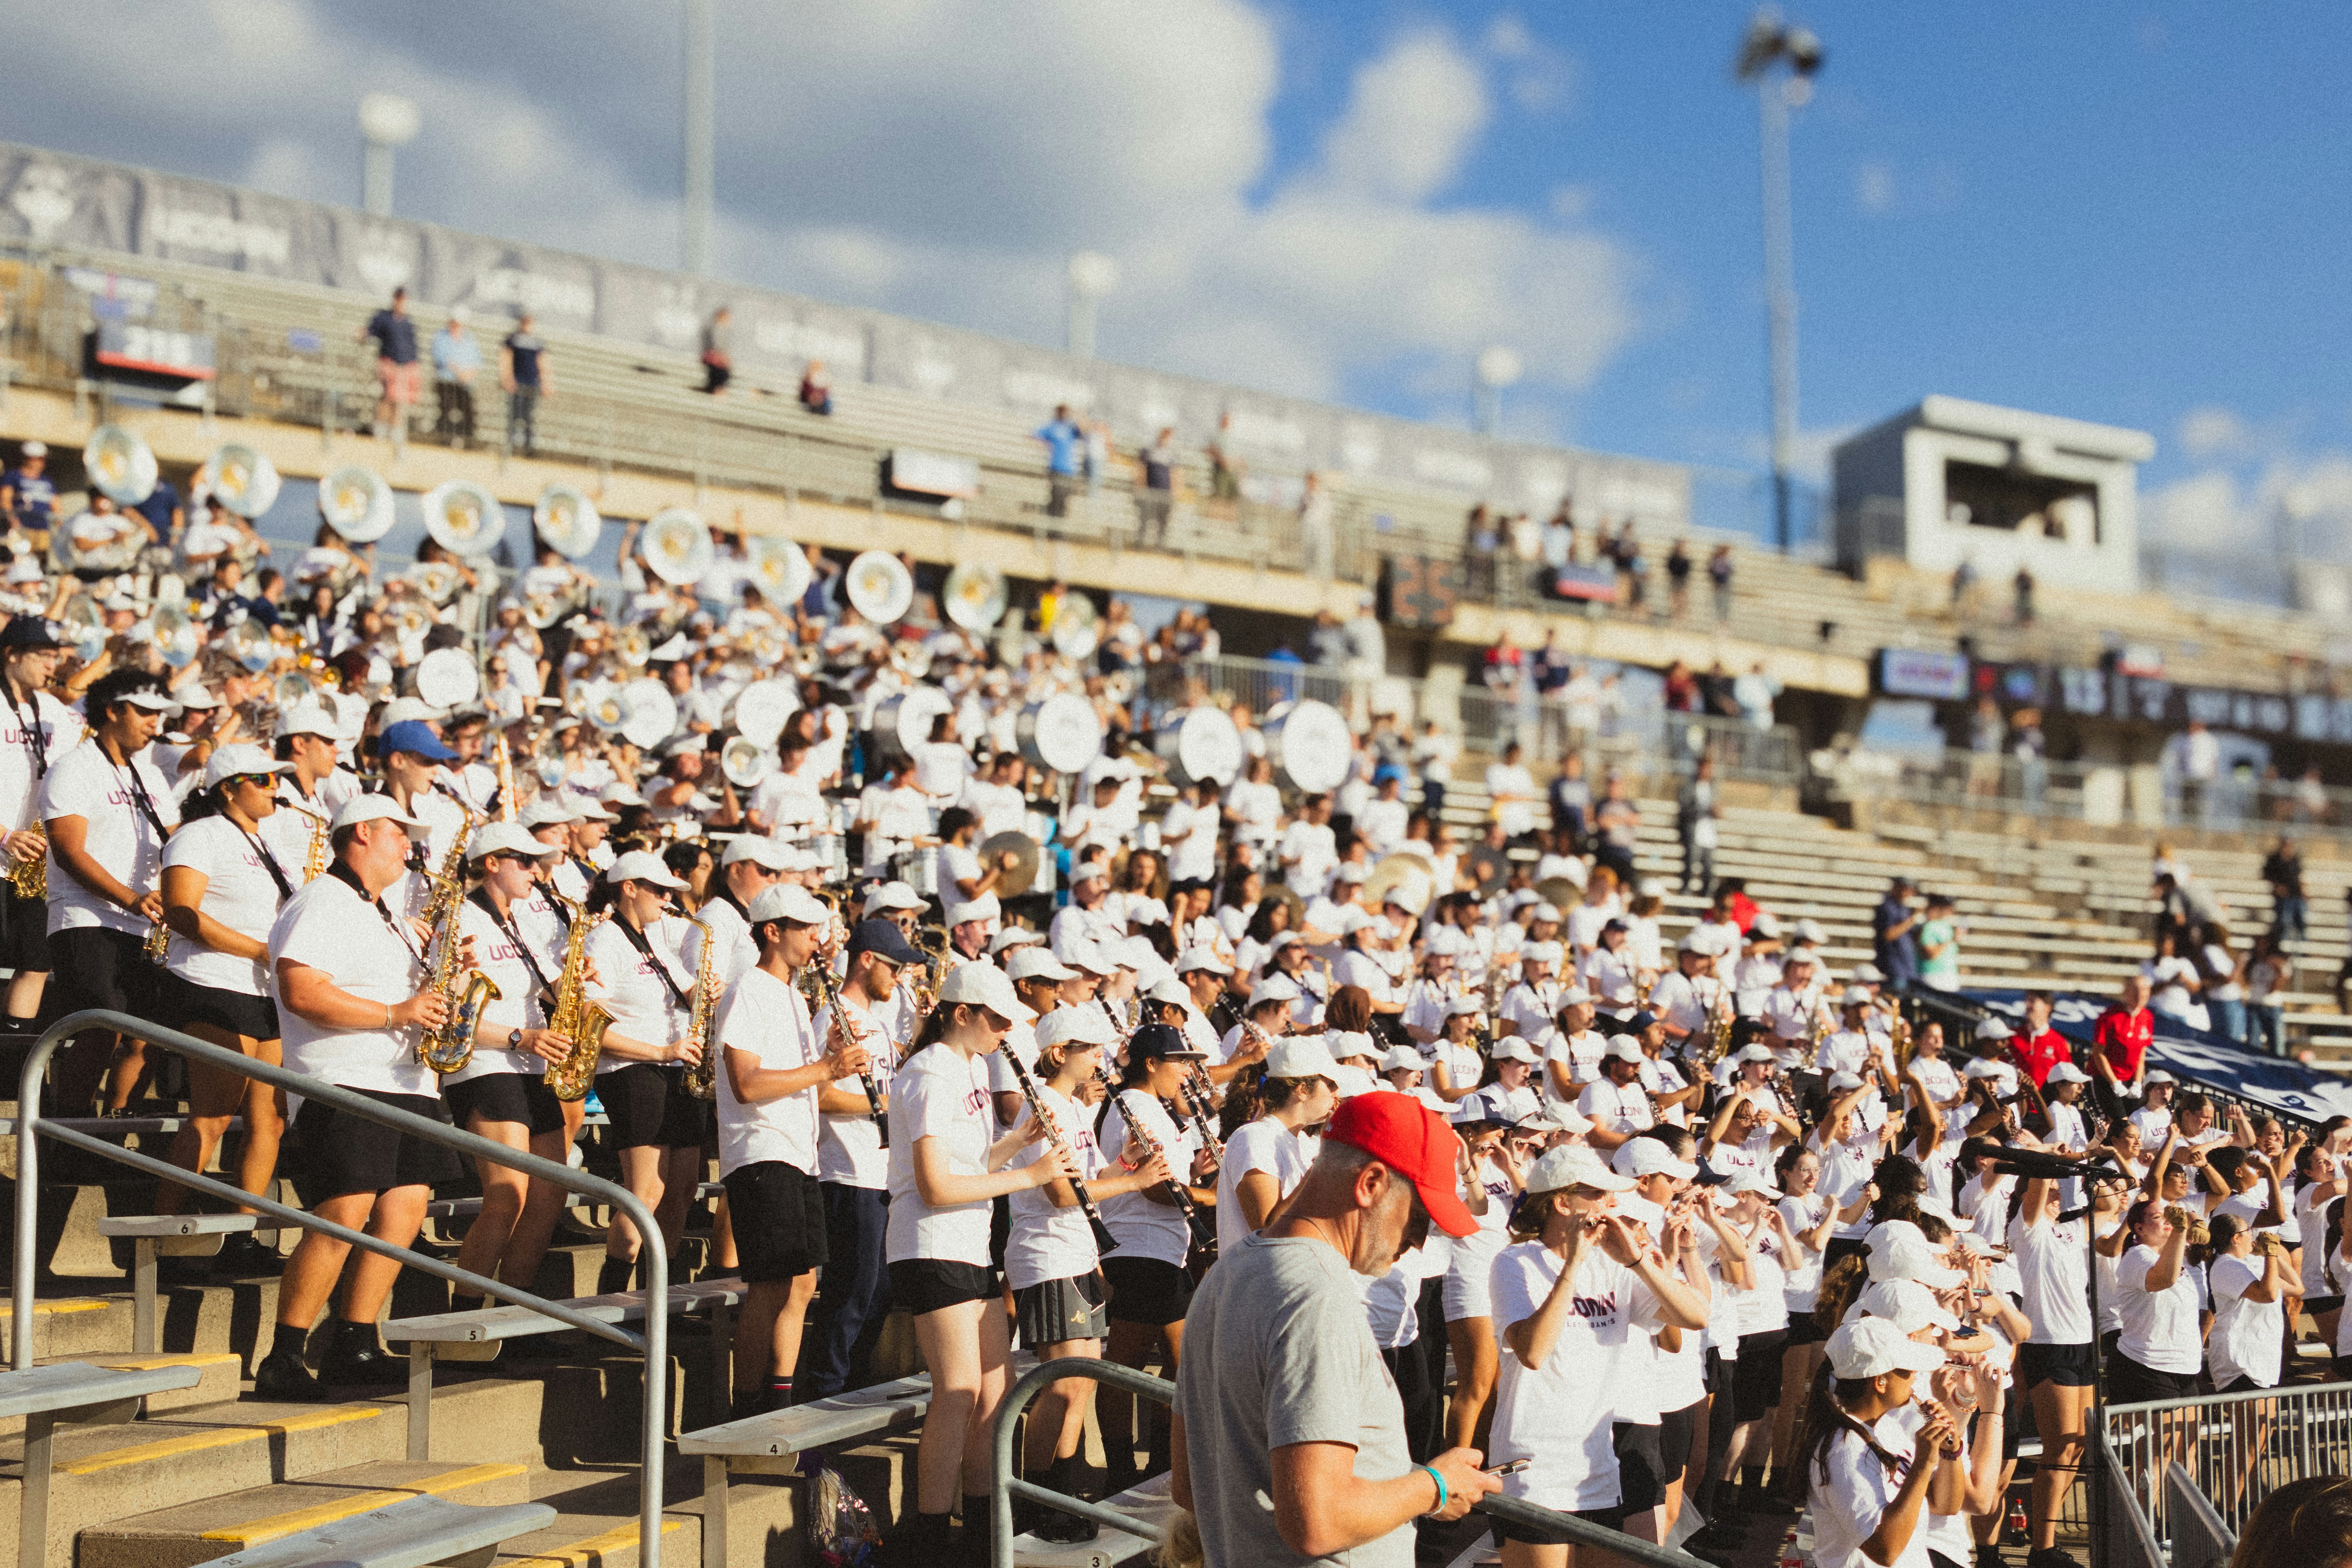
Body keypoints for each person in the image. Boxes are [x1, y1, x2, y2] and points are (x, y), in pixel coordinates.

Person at [1171, 1092, 1497, 1568]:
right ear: (1370, 1184)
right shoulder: (1317, 1295)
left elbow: (1188, 1484)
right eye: (1420, 1216)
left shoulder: (1227, 1272)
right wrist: (1436, 1486)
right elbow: (1317, 1523)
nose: (1419, 1240)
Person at [253, 796, 460, 1398]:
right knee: (344, 1212)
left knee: (404, 1209)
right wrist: (399, 1010)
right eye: (400, 833)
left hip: (403, 1080)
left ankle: (356, 1340)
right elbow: (300, 989)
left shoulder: (384, 912)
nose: (409, 846)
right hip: (343, 1079)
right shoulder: (324, 899)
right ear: (363, 833)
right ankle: (285, 1353)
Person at [883, 962, 1076, 1561]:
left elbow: (969, 1164)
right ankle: (931, 1534)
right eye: (994, 1019)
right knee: (960, 1388)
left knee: (998, 1390)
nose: (1002, 1031)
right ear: (960, 1012)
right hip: (929, 1242)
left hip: (968, 1242)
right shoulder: (928, 1071)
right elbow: (936, 1185)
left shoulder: (968, 1067)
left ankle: (983, 1526)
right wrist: (1032, 1173)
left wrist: (1015, 1143)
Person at [1485, 1144, 1709, 1565]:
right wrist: (1572, 1265)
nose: (1612, 1203)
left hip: (1597, 1469)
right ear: (1562, 1203)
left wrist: (1639, 1262)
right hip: (1534, 1468)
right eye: (1600, 1193)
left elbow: (1696, 1316)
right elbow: (1532, 1351)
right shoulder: (1514, 1262)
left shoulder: (1614, 1268)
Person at [1004, 1007, 1171, 1541]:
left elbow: (1091, 1177)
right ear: (1059, 1053)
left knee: (1081, 1386)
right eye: (1090, 1050)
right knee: (1061, 1387)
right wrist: (1136, 1181)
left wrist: (1123, 1164)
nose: (1100, 1060)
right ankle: (1030, 1501)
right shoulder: (1042, 1103)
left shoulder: (1075, 1109)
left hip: (1076, 1254)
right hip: (1046, 1255)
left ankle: (1061, 1492)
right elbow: (1059, 1192)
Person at [714, 882, 871, 1418]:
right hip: (761, 1153)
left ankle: (779, 1399)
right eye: (804, 929)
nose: (815, 938)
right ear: (772, 931)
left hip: (798, 1155)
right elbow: (748, 1085)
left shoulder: (794, 998)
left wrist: (827, 1059)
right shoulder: (747, 990)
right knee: (771, 1284)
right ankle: (746, 1407)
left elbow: (803, 1084)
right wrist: (828, 1068)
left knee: (801, 1283)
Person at [152, 744, 299, 1270]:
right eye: (262, 779)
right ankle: (160, 1240)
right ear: (228, 786)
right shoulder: (199, 834)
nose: (275, 788)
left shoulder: (274, 843)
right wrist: (258, 950)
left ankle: (241, 1234)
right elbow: (182, 912)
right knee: (212, 1118)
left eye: (275, 779)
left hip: (264, 992)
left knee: (269, 1121)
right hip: (213, 983)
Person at [434, 823, 578, 1317]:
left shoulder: (526, 925)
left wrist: (577, 984)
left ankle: (513, 1308)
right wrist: (521, 1037)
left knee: (549, 1195)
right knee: (507, 1195)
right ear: (491, 862)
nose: (536, 872)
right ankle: (464, 1310)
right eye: (525, 860)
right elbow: (453, 1014)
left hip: (531, 1065)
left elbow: (549, 989)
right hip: (486, 1063)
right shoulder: (459, 917)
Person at [41, 670, 181, 1117]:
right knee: (102, 1029)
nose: (154, 723)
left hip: (144, 923)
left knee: (148, 1037)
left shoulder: (152, 775)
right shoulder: (73, 767)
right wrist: (131, 898)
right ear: (112, 710)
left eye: (158, 714)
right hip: (87, 918)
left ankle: (115, 1131)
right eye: (144, 712)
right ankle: (71, 1131)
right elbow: (68, 851)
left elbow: (176, 843)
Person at [583, 851, 711, 1295]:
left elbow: (690, 991)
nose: (666, 899)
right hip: (633, 1069)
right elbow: (589, 1023)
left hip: (676, 1064)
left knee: (682, 1188)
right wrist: (661, 1049)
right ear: (629, 888)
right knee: (646, 1192)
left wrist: (715, 994)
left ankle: (663, 1296)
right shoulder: (602, 941)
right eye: (658, 890)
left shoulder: (654, 939)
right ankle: (613, 1294)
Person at [1798, 1317, 1962, 1568]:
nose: (1915, 1377)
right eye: (1907, 1370)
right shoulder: (1843, 1450)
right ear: (1880, 1382)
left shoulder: (1886, 1428)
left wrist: (1950, 1453)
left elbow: (1946, 1505)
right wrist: (1922, 1465)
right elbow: (1884, 1549)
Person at [0, 614, 73, 1033]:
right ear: (12, 654)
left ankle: (13, 1068)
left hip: (33, 863)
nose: (53, 665)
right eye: (44, 656)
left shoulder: (53, 710)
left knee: (37, 964)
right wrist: (6, 836)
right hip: (8, 844)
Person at [361, 287, 420, 440]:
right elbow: (370, 332)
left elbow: (413, 348)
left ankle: (396, 429)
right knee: (386, 397)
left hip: (404, 367)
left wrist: (413, 368)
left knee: (399, 401)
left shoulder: (409, 323)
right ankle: (380, 427)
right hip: (388, 364)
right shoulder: (383, 318)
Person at [501, 313, 551, 457]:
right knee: (513, 415)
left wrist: (546, 383)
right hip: (517, 383)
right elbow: (506, 358)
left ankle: (529, 450)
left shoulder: (537, 342)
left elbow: (543, 363)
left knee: (529, 417)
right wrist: (507, 378)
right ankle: (509, 448)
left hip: (532, 384)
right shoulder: (512, 339)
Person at [431, 306, 482, 446]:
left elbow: (477, 362)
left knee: (469, 412)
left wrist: (468, 375)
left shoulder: (470, 339)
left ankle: (468, 442)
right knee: (446, 410)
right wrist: (460, 373)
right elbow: (442, 358)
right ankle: (444, 441)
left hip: (465, 384)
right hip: (446, 382)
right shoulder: (441, 336)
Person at [1037, 404, 1085, 518]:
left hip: (1068, 470)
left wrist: (1078, 415)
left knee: (1064, 500)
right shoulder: (1052, 427)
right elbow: (1035, 436)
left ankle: (1058, 531)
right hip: (1056, 468)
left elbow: (1085, 431)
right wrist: (1045, 445)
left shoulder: (1071, 428)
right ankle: (1051, 528)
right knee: (1056, 498)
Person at [699, 305, 734, 395]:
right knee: (721, 374)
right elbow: (716, 344)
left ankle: (716, 390)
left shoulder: (721, 329)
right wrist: (723, 356)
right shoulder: (715, 328)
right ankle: (716, 391)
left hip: (717, 356)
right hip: (715, 356)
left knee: (722, 375)